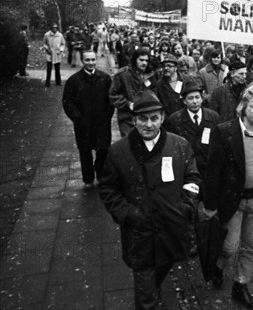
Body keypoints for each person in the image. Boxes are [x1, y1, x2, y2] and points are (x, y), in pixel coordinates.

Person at [98, 90, 201, 310]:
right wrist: (127, 213)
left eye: (154, 118)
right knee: (146, 295)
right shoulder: (118, 152)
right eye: (143, 119)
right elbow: (108, 188)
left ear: (162, 118)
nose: (149, 124)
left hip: (171, 227)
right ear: (134, 120)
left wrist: (187, 205)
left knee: (160, 270)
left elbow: (192, 177)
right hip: (140, 234)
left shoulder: (179, 146)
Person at [203, 85, 253, 309]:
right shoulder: (225, 131)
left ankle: (241, 285)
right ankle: (219, 265)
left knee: (252, 246)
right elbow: (213, 170)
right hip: (232, 199)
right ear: (243, 107)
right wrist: (210, 204)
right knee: (230, 246)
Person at [62, 50, 113, 190]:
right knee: (85, 151)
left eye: (92, 60)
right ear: (82, 61)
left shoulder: (105, 78)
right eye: (87, 60)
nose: (90, 63)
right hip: (83, 124)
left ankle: (101, 175)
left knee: (103, 150)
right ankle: (88, 179)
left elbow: (111, 101)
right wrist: (77, 118)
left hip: (101, 123)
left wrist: (106, 116)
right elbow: (67, 102)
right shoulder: (74, 81)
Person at [109, 49, 157, 137]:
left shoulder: (148, 75)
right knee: (129, 145)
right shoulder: (122, 74)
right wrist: (128, 104)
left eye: (146, 60)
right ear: (134, 60)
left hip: (145, 118)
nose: (144, 63)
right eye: (141, 60)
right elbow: (113, 95)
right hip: (127, 118)